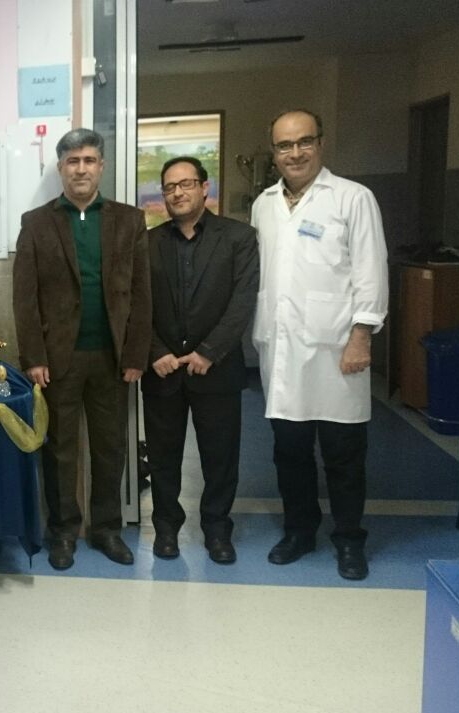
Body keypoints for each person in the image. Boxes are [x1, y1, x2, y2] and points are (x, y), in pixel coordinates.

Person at [251, 109, 389, 581]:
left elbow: (371, 271)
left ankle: (349, 540)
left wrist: (362, 336)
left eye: (304, 142)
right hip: (281, 349)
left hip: (338, 350)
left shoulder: (352, 198)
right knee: (289, 452)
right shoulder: (264, 204)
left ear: (321, 144)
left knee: (343, 454)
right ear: (274, 153)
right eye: (284, 146)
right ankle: (299, 531)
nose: (295, 153)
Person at [12, 127, 152, 571]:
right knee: (60, 450)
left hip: (113, 358)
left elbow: (142, 293)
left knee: (111, 448)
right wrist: (34, 356)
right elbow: (24, 297)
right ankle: (63, 532)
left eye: (89, 160)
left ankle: (107, 529)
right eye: (72, 162)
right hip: (59, 361)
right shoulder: (36, 223)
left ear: (101, 167)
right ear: (60, 168)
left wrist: (136, 354)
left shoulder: (129, 220)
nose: (81, 169)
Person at [142, 156, 259, 564]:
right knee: (163, 457)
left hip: (218, 369)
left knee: (220, 458)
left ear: (205, 188)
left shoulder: (238, 238)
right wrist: (155, 351)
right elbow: (137, 306)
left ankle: (217, 530)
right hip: (163, 372)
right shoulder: (147, 244)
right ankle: (166, 529)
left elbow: (242, 301)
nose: (178, 193)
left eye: (186, 184)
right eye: (169, 187)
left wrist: (209, 351)